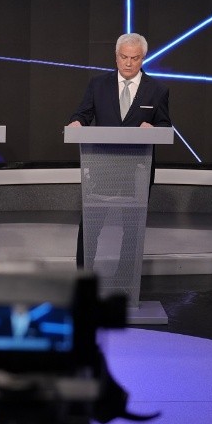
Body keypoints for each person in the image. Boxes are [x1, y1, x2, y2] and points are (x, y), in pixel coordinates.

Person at [67, 32, 171, 276]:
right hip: (102, 167)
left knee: (133, 230)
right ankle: (82, 280)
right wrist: (76, 122)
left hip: (137, 171)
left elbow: (166, 125)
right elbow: (82, 113)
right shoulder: (98, 84)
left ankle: (125, 281)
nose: (128, 63)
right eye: (123, 57)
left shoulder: (157, 89)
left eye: (134, 58)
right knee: (91, 226)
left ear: (143, 59)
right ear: (116, 57)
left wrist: (154, 128)